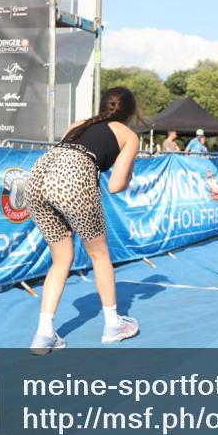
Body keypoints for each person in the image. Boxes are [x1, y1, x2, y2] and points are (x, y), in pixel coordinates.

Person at [25, 86, 141, 354]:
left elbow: (63, 156)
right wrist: (129, 176)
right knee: (99, 255)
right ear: (130, 112)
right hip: (74, 179)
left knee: (61, 259)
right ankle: (113, 324)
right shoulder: (128, 135)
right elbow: (115, 185)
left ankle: (43, 335)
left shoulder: (78, 124)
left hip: (38, 179)